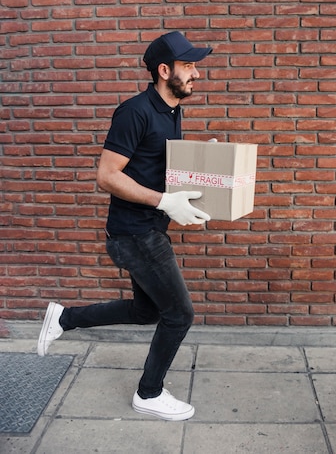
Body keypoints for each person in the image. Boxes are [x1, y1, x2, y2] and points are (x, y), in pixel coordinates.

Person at [37, 31, 212, 421]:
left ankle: (64, 318)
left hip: (148, 229)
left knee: (147, 311)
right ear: (164, 70)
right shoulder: (135, 112)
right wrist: (164, 201)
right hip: (136, 234)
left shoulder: (170, 111)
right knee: (179, 315)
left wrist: (204, 163)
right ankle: (148, 394)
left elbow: (153, 167)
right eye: (188, 66)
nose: (196, 74)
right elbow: (107, 176)